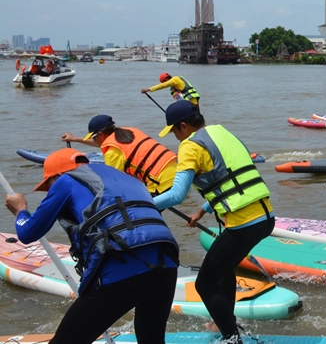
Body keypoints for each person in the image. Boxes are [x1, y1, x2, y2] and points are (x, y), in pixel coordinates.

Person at [5, 148, 179, 344]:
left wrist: (21, 210)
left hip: (120, 271)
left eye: (49, 185)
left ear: (59, 175)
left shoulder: (66, 180)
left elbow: (28, 232)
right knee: (152, 341)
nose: (50, 191)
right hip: (167, 267)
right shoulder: (128, 178)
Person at [154, 100, 273, 342]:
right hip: (265, 217)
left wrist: (142, 203)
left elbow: (176, 195)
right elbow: (231, 177)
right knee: (224, 269)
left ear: (183, 126)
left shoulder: (189, 146)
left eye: (174, 132)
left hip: (243, 224)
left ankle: (232, 338)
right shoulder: (223, 133)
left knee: (205, 284)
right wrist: (202, 210)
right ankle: (227, 323)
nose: (176, 138)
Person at [60, 114, 177, 196]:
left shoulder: (112, 153)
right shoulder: (128, 132)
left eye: (93, 137)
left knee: (133, 215)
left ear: (100, 135)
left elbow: (114, 185)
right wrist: (75, 139)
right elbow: (104, 145)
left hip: (163, 184)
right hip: (176, 173)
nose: (94, 140)